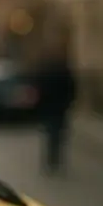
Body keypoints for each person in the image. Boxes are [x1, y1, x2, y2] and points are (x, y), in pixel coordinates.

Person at [34, 35, 78, 174]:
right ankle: (55, 159)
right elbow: (71, 87)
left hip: (52, 107)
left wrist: (41, 103)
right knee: (57, 134)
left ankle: (51, 160)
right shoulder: (63, 69)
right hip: (59, 107)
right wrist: (69, 102)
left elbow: (40, 88)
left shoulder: (48, 69)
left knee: (51, 134)